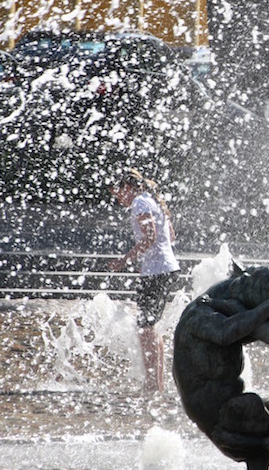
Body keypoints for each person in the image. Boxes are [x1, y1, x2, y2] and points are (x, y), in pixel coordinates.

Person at [108, 168, 181, 393]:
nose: (118, 199)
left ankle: (152, 384)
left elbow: (150, 237)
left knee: (145, 328)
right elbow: (171, 235)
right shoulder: (153, 201)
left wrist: (125, 259)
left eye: (118, 193)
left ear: (128, 188)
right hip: (166, 269)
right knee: (149, 327)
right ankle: (155, 384)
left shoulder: (140, 203)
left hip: (156, 272)